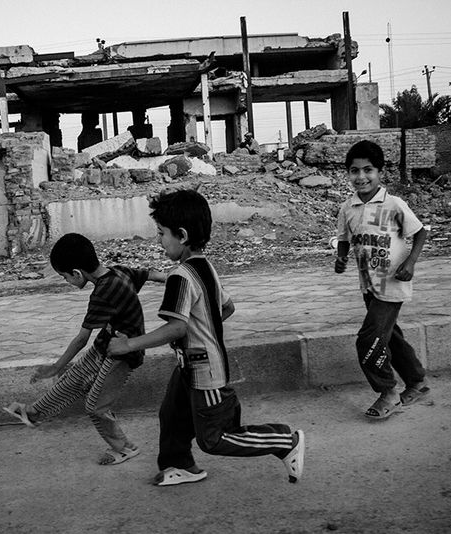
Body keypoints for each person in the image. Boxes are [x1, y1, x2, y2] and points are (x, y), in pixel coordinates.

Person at [108, 189, 304, 486]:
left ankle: (284, 441)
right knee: (172, 415)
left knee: (213, 438)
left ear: (182, 235)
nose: (159, 241)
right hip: (190, 365)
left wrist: (129, 344)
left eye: (161, 234)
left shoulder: (180, 276)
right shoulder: (205, 266)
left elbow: (177, 328)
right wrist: (205, 327)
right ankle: (179, 465)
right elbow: (226, 307)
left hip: (204, 371)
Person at [3, 233, 165, 465]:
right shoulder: (118, 270)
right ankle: (34, 413)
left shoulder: (102, 292)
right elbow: (149, 274)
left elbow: (81, 339)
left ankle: (125, 448)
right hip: (107, 343)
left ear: (77, 273)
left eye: (65, 276)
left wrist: (56, 366)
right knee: (75, 378)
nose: (67, 281)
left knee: (96, 406)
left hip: (123, 353)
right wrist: (173, 278)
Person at [334, 140, 430, 420]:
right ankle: (417, 381)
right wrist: (340, 259)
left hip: (393, 283)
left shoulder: (394, 204)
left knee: (368, 340)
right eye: (354, 171)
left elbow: (420, 232)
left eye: (368, 170)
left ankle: (388, 393)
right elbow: (344, 239)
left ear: (380, 172)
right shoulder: (348, 208)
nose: (361, 177)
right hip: (369, 285)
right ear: (348, 173)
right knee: (390, 337)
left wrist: (410, 263)